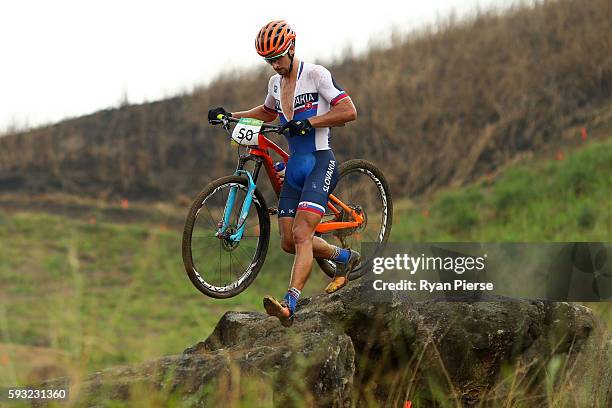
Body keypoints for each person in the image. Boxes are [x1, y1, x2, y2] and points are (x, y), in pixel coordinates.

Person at [207, 20, 359, 327]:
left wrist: (310, 123)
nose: (275, 64)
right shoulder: (275, 85)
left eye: (278, 57)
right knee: (289, 242)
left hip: (318, 160)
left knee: (303, 234)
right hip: (295, 168)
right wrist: (230, 115)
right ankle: (344, 258)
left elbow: (349, 111)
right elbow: (266, 112)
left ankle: (290, 303)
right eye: (269, 60)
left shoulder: (316, 75)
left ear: (291, 48)